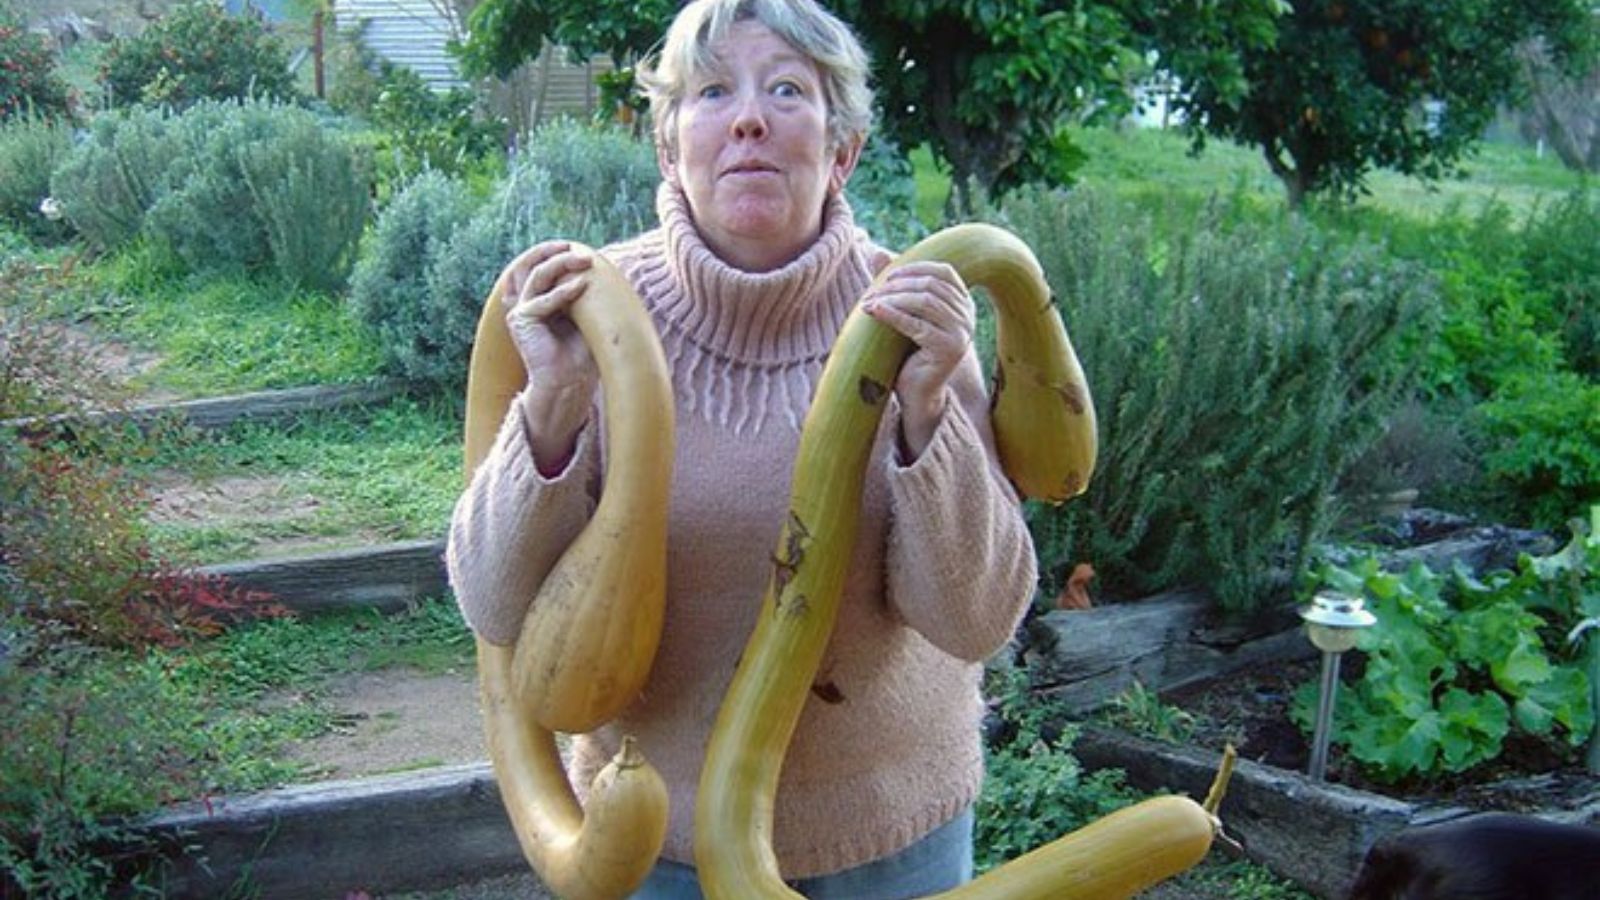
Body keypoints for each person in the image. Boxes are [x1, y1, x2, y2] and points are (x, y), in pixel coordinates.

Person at [445, 1, 1037, 896]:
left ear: (843, 151)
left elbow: (976, 619)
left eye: (787, 90)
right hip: (655, 849)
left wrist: (929, 417)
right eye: (713, 91)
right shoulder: (586, 318)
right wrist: (555, 402)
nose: (749, 117)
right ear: (668, 145)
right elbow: (493, 607)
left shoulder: (916, 320)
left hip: (891, 848)